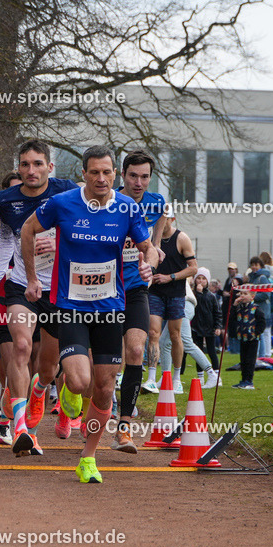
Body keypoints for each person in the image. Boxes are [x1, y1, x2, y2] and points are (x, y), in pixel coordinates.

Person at [20, 145, 155, 483]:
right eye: (94, 172)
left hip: (110, 308)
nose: (101, 178)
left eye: (107, 172)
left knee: (105, 386)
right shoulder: (63, 203)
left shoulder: (127, 208)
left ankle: (88, 457)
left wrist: (149, 262)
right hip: (72, 306)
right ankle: (59, 389)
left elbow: (147, 246)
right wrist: (33, 278)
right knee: (80, 382)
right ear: (84, 173)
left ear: (115, 174)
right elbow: (27, 230)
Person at [0, 140, 78, 456]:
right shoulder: (7, 200)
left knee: (48, 369)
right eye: (25, 164)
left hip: (60, 288)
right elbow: (6, 240)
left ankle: (39, 391)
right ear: (18, 168)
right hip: (22, 284)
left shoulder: (67, 192)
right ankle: (21, 427)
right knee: (20, 346)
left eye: (37, 164)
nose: (31, 170)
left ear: (50, 167)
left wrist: (60, 245)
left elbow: (82, 233)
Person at [114, 149, 166, 451]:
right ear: (123, 175)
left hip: (136, 288)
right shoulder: (108, 203)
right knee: (102, 366)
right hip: (102, 291)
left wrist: (151, 264)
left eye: (145, 176)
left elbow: (155, 248)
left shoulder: (156, 204)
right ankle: (87, 411)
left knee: (136, 349)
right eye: (133, 175)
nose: (139, 182)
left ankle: (124, 428)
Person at [145, 208, 199, 393]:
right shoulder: (150, 238)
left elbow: (193, 268)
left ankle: (176, 378)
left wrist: (171, 277)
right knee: (153, 333)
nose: (158, 223)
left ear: (171, 219)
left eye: (163, 219)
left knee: (176, 336)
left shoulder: (181, 238)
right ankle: (152, 377)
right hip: (154, 292)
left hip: (176, 293)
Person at [231, 290, 266, 389]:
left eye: (245, 294)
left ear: (252, 296)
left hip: (252, 339)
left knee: (250, 360)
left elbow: (262, 323)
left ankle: (249, 381)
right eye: (241, 293)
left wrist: (256, 333)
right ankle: (243, 379)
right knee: (243, 360)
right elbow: (231, 318)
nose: (242, 296)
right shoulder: (238, 308)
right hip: (242, 337)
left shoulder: (256, 309)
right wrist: (234, 305)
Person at [191, 268, 222, 378]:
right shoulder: (193, 294)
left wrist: (218, 326)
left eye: (203, 278)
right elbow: (196, 305)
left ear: (207, 281)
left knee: (212, 351)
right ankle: (200, 376)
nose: (200, 281)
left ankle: (216, 374)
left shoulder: (211, 296)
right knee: (198, 352)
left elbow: (217, 312)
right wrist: (198, 293)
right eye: (198, 278)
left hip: (210, 327)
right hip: (196, 327)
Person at [246, 256, 273, 358]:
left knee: (265, 333)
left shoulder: (263, 278)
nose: (254, 267)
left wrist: (252, 297)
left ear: (261, 266)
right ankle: (260, 355)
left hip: (263, 310)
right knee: (259, 332)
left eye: (256, 265)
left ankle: (266, 355)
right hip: (255, 309)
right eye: (252, 265)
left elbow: (266, 294)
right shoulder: (252, 278)